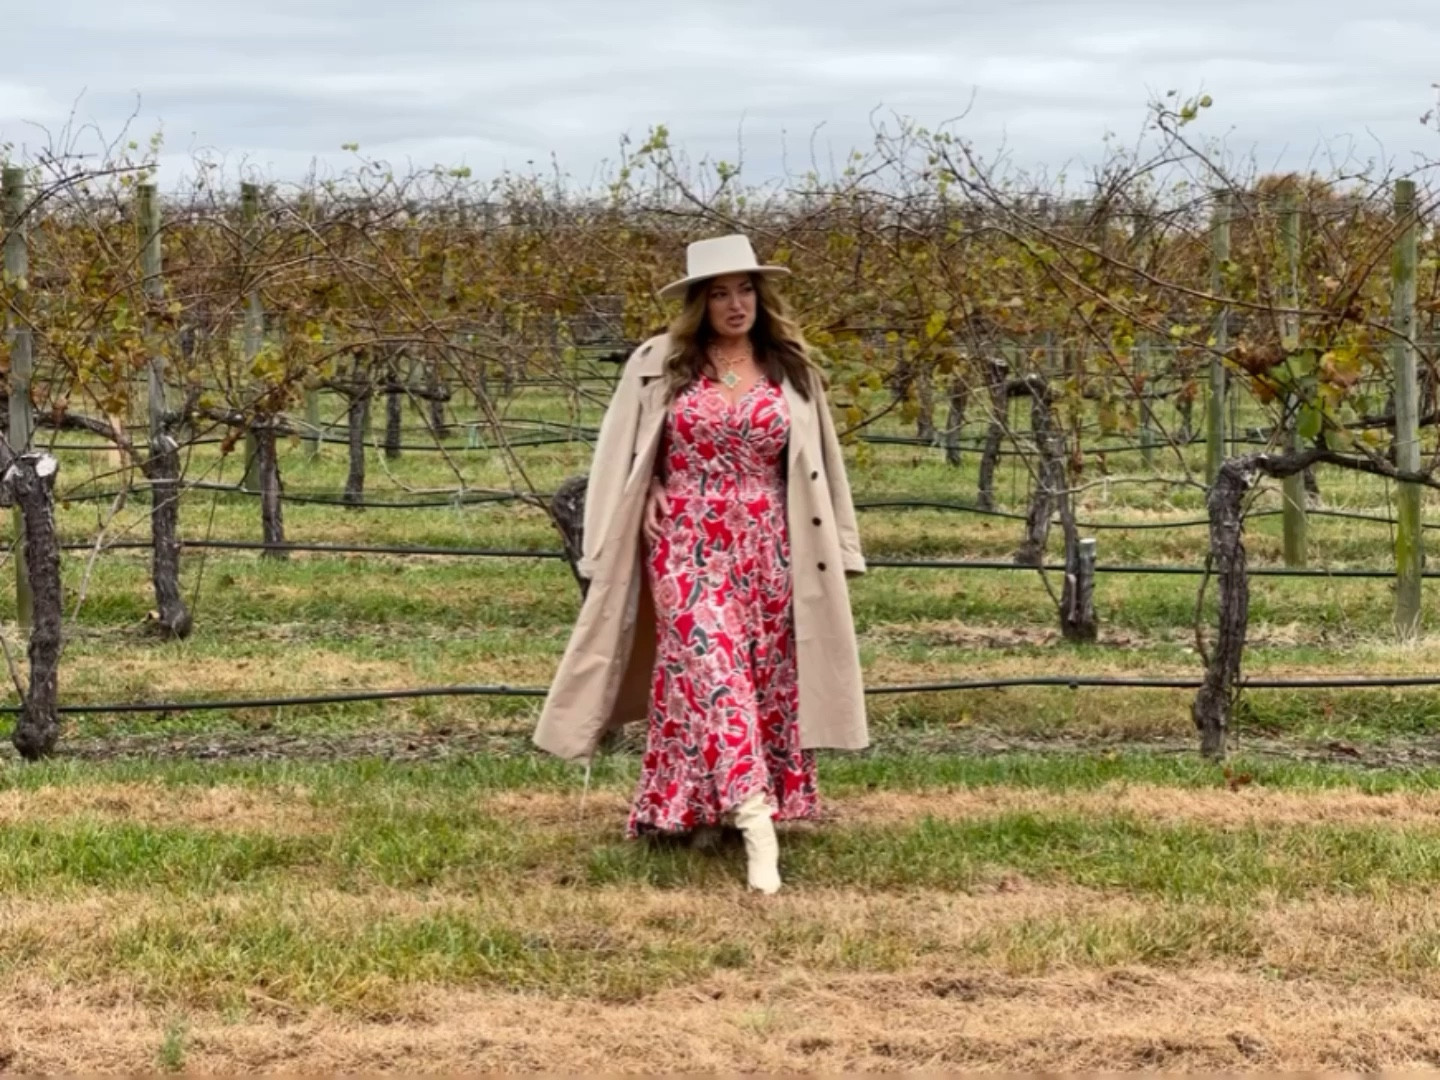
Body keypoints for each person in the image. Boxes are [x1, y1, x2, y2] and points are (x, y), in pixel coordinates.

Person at [534, 234, 868, 894]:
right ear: (699, 303)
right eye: (719, 294)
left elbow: (821, 463)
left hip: (770, 546)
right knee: (713, 669)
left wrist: (842, 546)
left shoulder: (790, 368)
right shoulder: (659, 363)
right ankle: (757, 824)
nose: (736, 304)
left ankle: (696, 809)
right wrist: (650, 485)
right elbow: (624, 449)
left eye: (745, 290)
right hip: (685, 540)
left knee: (753, 680)